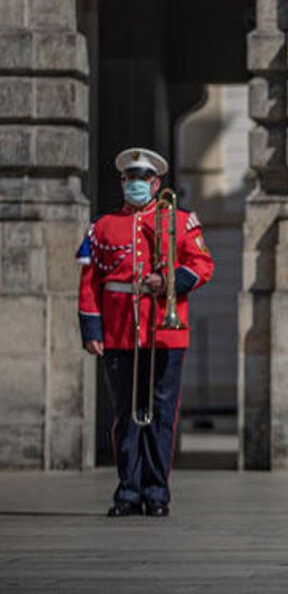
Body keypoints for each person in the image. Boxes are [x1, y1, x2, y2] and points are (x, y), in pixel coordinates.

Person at [77, 147, 214, 517]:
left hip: (165, 329)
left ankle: (156, 493)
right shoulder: (102, 227)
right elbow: (90, 282)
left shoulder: (179, 220)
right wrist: (92, 329)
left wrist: (166, 281)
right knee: (126, 414)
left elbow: (202, 265)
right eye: (129, 178)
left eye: (143, 178)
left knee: (161, 413)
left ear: (156, 183)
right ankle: (128, 491)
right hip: (120, 330)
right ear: (123, 182)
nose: (135, 183)